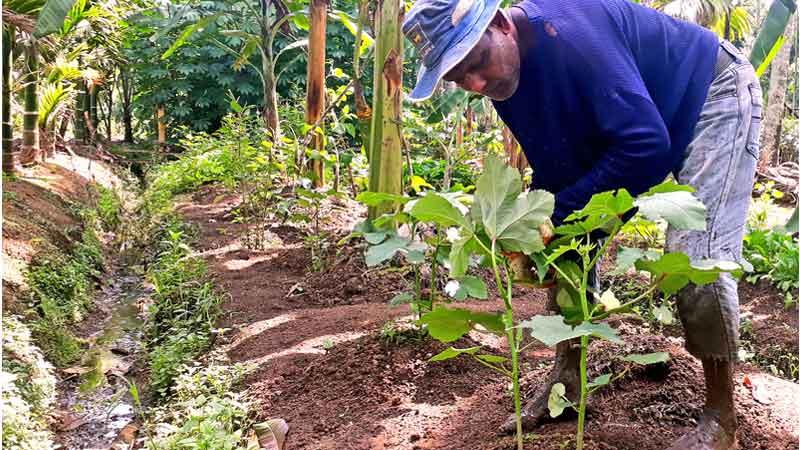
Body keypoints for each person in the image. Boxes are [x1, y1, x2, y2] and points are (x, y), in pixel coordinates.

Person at [401, 0, 762, 448]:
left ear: (500, 24)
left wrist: (553, 216)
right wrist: (543, 232)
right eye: (458, 78)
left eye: (475, 61)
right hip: (647, 119)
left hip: (711, 92)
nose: (475, 83)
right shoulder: (503, 82)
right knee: (562, 241)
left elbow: (645, 146)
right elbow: (557, 173)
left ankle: (721, 419)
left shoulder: (569, 35)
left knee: (696, 259)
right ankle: (566, 383)